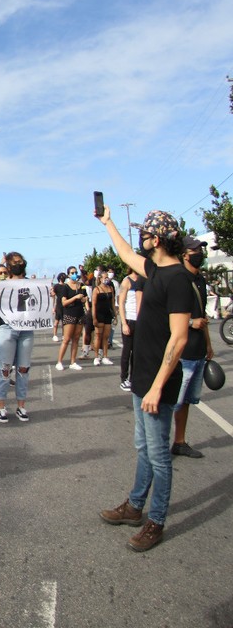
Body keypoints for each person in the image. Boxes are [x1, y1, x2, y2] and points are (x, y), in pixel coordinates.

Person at [97, 208, 193, 552]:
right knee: (143, 447)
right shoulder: (154, 270)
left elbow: (179, 338)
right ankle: (135, 506)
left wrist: (156, 386)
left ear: (159, 238)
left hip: (159, 382)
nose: (143, 238)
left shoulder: (178, 278)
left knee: (158, 455)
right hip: (143, 376)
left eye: (147, 234)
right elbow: (125, 253)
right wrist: (107, 222)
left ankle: (156, 521)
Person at [171, 237, 211, 459]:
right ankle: (159, 446)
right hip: (181, 351)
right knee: (172, 402)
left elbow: (202, 314)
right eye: (195, 249)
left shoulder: (201, 280)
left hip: (198, 350)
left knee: (187, 401)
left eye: (201, 249)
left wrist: (208, 343)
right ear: (184, 254)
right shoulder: (178, 279)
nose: (199, 253)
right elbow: (167, 316)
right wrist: (189, 323)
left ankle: (180, 442)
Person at [0, 252, 33, 423]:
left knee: (23, 368)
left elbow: (38, 306)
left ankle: (21, 406)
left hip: (26, 330)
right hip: (7, 328)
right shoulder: (2, 285)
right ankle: (1, 406)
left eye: (20, 261)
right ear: (9, 265)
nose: (19, 264)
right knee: (5, 369)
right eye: (15, 262)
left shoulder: (33, 285)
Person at [55, 266, 87, 371]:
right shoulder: (66, 287)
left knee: (76, 338)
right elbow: (64, 302)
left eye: (75, 272)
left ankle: (73, 361)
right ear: (68, 274)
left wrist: (84, 299)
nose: (74, 274)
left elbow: (85, 298)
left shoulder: (81, 285)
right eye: (72, 272)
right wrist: (74, 298)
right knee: (67, 339)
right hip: (69, 313)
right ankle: (59, 361)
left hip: (80, 313)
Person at [117, 267, 143, 390]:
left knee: (137, 352)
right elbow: (121, 302)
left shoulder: (144, 280)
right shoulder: (127, 281)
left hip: (140, 321)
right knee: (127, 351)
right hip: (129, 319)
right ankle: (124, 378)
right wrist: (124, 323)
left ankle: (133, 378)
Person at [91, 271, 115, 366]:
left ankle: (105, 356)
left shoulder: (110, 288)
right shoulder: (96, 289)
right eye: (104, 277)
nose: (106, 279)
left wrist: (115, 315)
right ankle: (96, 357)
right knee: (98, 336)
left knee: (106, 337)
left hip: (108, 314)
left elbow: (112, 302)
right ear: (100, 278)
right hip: (99, 314)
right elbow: (93, 304)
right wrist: (94, 318)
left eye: (107, 277)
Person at [50, 273, 66, 342]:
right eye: (62, 277)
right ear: (59, 278)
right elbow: (53, 296)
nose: (63, 278)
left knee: (64, 322)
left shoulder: (66, 286)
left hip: (65, 305)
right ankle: (54, 335)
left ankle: (63, 335)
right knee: (56, 322)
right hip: (58, 305)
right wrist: (53, 308)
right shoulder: (56, 286)